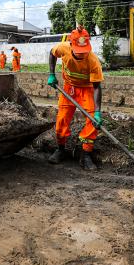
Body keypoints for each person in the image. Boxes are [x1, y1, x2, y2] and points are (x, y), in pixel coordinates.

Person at [47, 26, 104, 171]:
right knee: (62, 120)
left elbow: (97, 87)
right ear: (71, 45)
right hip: (69, 88)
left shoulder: (93, 61)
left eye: (84, 51)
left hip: (87, 90)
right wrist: (51, 74)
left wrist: (97, 112)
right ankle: (60, 149)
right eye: (78, 51)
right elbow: (52, 53)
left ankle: (85, 155)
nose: (81, 55)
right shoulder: (63, 47)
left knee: (92, 120)